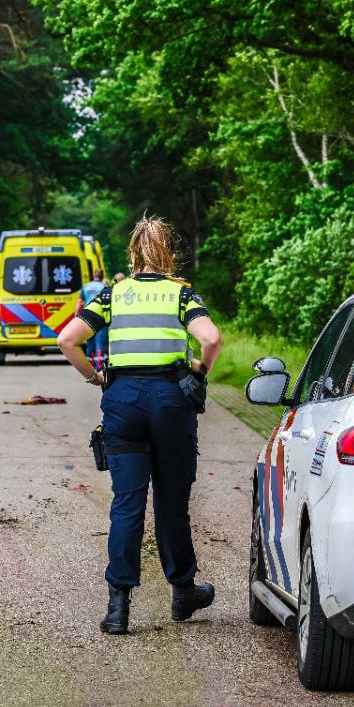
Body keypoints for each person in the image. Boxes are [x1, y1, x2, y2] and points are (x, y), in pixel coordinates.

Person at [57, 215, 223, 635]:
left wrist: (95, 378)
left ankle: (118, 608)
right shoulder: (181, 294)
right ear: (167, 253)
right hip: (169, 402)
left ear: (134, 254)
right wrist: (198, 374)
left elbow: (67, 340)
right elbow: (211, 339)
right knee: (172, 504)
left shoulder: (113, 294)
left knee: (126, 505)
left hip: (123, 401)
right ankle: (183, 593)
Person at [79, 269, 108, 371]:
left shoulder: (86, 287)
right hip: (101, 318)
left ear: (93, 275)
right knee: (100, 344)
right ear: (102, 276)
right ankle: (99, 367)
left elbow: (79, 303)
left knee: (90, 344)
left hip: (87, 318)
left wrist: (76, 317)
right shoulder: (104, 287)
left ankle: (90, 367)